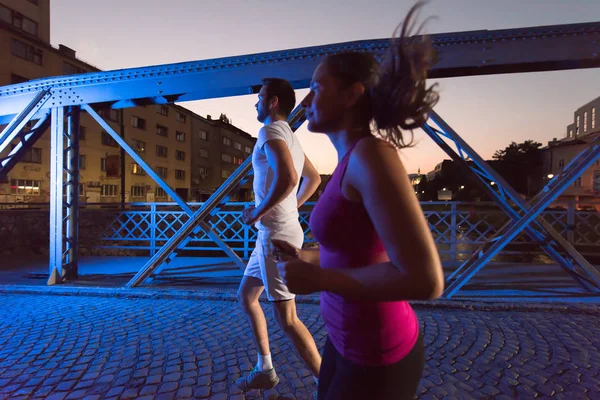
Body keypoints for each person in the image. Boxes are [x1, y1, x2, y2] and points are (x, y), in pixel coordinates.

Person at [272, 3, 445, 399]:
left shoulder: (371, 155)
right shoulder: (350, 161)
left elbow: (425, 279)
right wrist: (306, 259)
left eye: (317, 87)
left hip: (378, 355)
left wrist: (318, 279)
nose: (307, 99)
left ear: (351, 94)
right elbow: (362, 254)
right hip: (344, 342)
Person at [236, 77, 322, 392]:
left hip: (276, 237)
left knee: (287, 318)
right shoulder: (291, 137)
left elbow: (288, 177)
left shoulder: (270, 131)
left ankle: (327, 384)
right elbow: (312, 179)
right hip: (273, 233)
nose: (256, 103)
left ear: (272, 102)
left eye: (259, 97)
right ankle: (265, 368)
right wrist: (290, 207)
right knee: (246, 297)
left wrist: (258, 212)